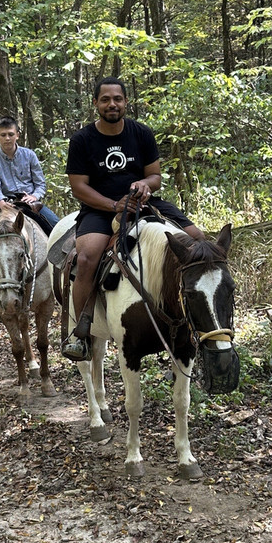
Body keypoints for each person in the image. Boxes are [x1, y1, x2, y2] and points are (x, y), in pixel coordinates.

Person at [61, 76, 206, 362]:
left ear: (126, 102)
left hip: (144, 203)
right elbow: (79, 187)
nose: (112, 104)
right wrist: (113, 204)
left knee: (199, 240)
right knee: (88, 257)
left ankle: (197, 321)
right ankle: (81, 331)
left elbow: (155, 176)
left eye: (117, 98)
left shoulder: (141, 133)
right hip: (100, 208)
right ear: (96, 104)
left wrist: (145, 186)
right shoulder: (82, 140)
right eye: (105, 99)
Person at [0, 116, 61, 304]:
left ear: (17, 135)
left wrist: (35, 196)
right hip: (4, 203)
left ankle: (64, 274)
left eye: (10, 134)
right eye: (3, 135)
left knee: (57, 226)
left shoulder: (29, 155)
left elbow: (40, 183)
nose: (7, 138)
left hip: (28, 202)